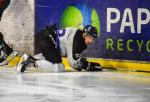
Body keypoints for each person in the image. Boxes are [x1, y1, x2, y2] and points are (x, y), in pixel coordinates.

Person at [17, 24, 102, 73]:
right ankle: (33, 62)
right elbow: (73, 64)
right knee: (59, 67)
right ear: (84, 34)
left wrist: (83, 63)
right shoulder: (78, 40)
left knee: (54, 56)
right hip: (47, 39)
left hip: (44, 37)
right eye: (89, 37)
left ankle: (28, 58)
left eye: (93, 38)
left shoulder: (78, 35)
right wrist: (87, 65)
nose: (91, 40)